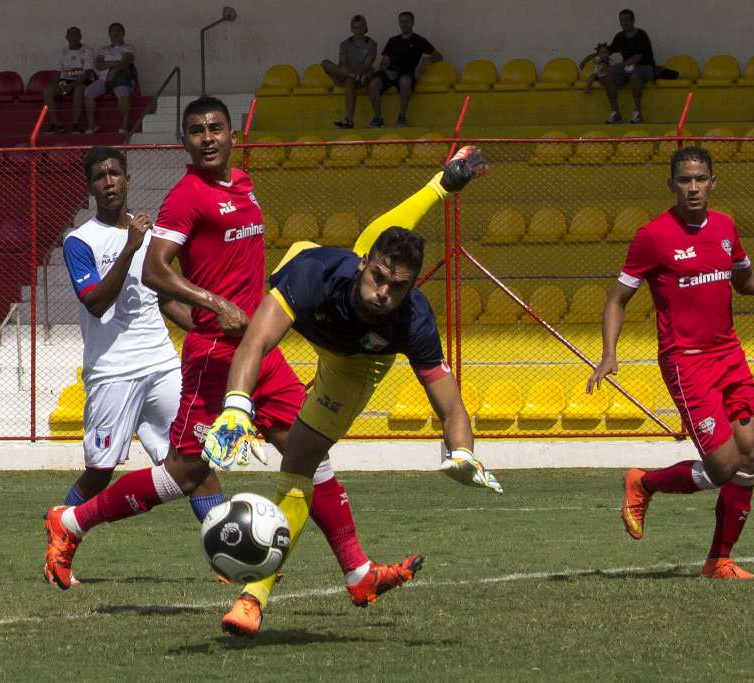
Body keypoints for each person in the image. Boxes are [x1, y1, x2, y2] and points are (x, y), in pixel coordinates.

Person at [41, 97, 432, 607]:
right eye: (197, 130)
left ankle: (358, 572)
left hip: (258, 352)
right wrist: (213, 305)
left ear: (232, 135)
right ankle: (70, 521)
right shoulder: (186, 196)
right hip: (216, 356)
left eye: (216, 128)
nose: (207, 137)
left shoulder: (243, 187)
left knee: (309, 453)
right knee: (184, 473)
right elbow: (156, 270)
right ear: (185, 141)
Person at [204, 144, 501, 638]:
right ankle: (441, 183)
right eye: (379, 277)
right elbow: (255, 341)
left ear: (410, 290)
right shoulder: (317, 273)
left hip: (357, 364)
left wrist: (464, 453)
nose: (383, 291)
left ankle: (252, 597)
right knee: (348, 245)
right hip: (314, 287)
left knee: (298, 462)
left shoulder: (413, 318)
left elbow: (451, 405)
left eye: (396, 286)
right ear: (365, 267)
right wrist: (235, 409)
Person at [587, 146, 754, 580]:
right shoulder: (652, 236)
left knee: (749, 456)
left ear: (712, 182)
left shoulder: (725, 227)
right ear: (671, 185)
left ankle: (719, 560)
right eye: (684, 180)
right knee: (723, 466)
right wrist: (609, 352)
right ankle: (643, 482)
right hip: (686, 363)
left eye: (700, 179)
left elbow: (745, 281)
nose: (693, 187)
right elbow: (617, 299)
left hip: (729, 355)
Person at [48, 145, 224, 587]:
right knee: (101, 472)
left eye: (114, 174)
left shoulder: (153, 234)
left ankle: (227, 551)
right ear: (89, 187)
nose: (108, 182)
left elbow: (163, 298)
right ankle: (62, 529)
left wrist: (208, 328)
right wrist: (129, 247)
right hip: (112, 371)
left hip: (161, 363)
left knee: (194, 460)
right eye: (99, 177)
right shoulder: (79, 241)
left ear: (127, 179)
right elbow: (95, 303)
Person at [367, 10, 442, 128]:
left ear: (412, 23)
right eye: (401, 22)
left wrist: (426, 60)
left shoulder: (419, 40)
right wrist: (387, 71)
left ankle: (401, 117)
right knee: (373, 83)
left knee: (405, 81)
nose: (404, 24)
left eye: (407, 21)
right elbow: (384, 62)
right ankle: (378, 118)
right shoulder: (393, 40)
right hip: (390, 72)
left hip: (407, 73)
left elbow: (438, 56)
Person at [579, 9, 655, 124]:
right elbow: (607, 51)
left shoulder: (641, 35)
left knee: (634, 76)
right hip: (627, 68)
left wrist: (615, 67)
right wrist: (589, 57)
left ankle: (637, 112)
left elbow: (637, 58)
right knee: (607, 78)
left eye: (627, 20)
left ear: (633, 20)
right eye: (621, 21)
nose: (624, 23)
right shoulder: (620, 36)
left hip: (645, 67)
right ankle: (616, 113)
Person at [321, 15, 377, 129]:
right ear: (351, 28)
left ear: (365, 27)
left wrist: (357, 74)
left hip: (362, 76)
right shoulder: (344, 44)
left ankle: (349, 120)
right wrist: (349, 72)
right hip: (347, 74)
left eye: (360, 27)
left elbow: (367, 65)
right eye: (355, 27)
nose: (358, 30)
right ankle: (351, 76)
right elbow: (342, 63)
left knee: (349, 81)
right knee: (325, 63)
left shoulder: (371, 44)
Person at [84, 22, 136, 134]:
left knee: (123, 92)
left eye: (118, 30)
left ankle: (124, 125)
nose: (116, 33)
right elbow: (99, 65)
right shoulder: (104, 49)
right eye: (113, 31)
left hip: (121, 79)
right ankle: (91, 125)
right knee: (88, 92)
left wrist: (114, 70)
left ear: (123, 33)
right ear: (109, 34)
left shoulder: (128, 47)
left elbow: (126, 61)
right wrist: (116, 63)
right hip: (103, 79)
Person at [45, 27, 95, 134]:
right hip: (66, 81)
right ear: (67, 37)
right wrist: (57, 85)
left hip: (82, 81)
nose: (74, 37)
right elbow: (56, 72)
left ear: (80, 37)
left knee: (78, 90)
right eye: (71, 34)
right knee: (48, 91)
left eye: (76, 34)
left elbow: (87, 73)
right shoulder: (61, 52)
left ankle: (75, 124)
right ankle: (56, 125)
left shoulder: (87, 51)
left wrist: (71, 86)